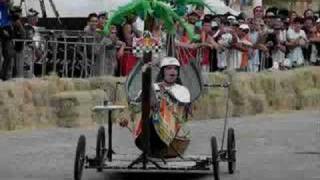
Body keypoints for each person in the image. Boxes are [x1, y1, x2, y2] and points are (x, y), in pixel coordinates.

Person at [119, 57, 192, 158]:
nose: (173, 71)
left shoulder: (183, 90)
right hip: (149, 119)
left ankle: (156, 112)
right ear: (162, 72)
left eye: (175, 69)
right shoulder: (155, 86)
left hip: (172, 126)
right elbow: (136, 107)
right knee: (145, 99)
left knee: (159, 101)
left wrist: (164, 95)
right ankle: (150, 119)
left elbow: (181, 111)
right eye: (169, 68)